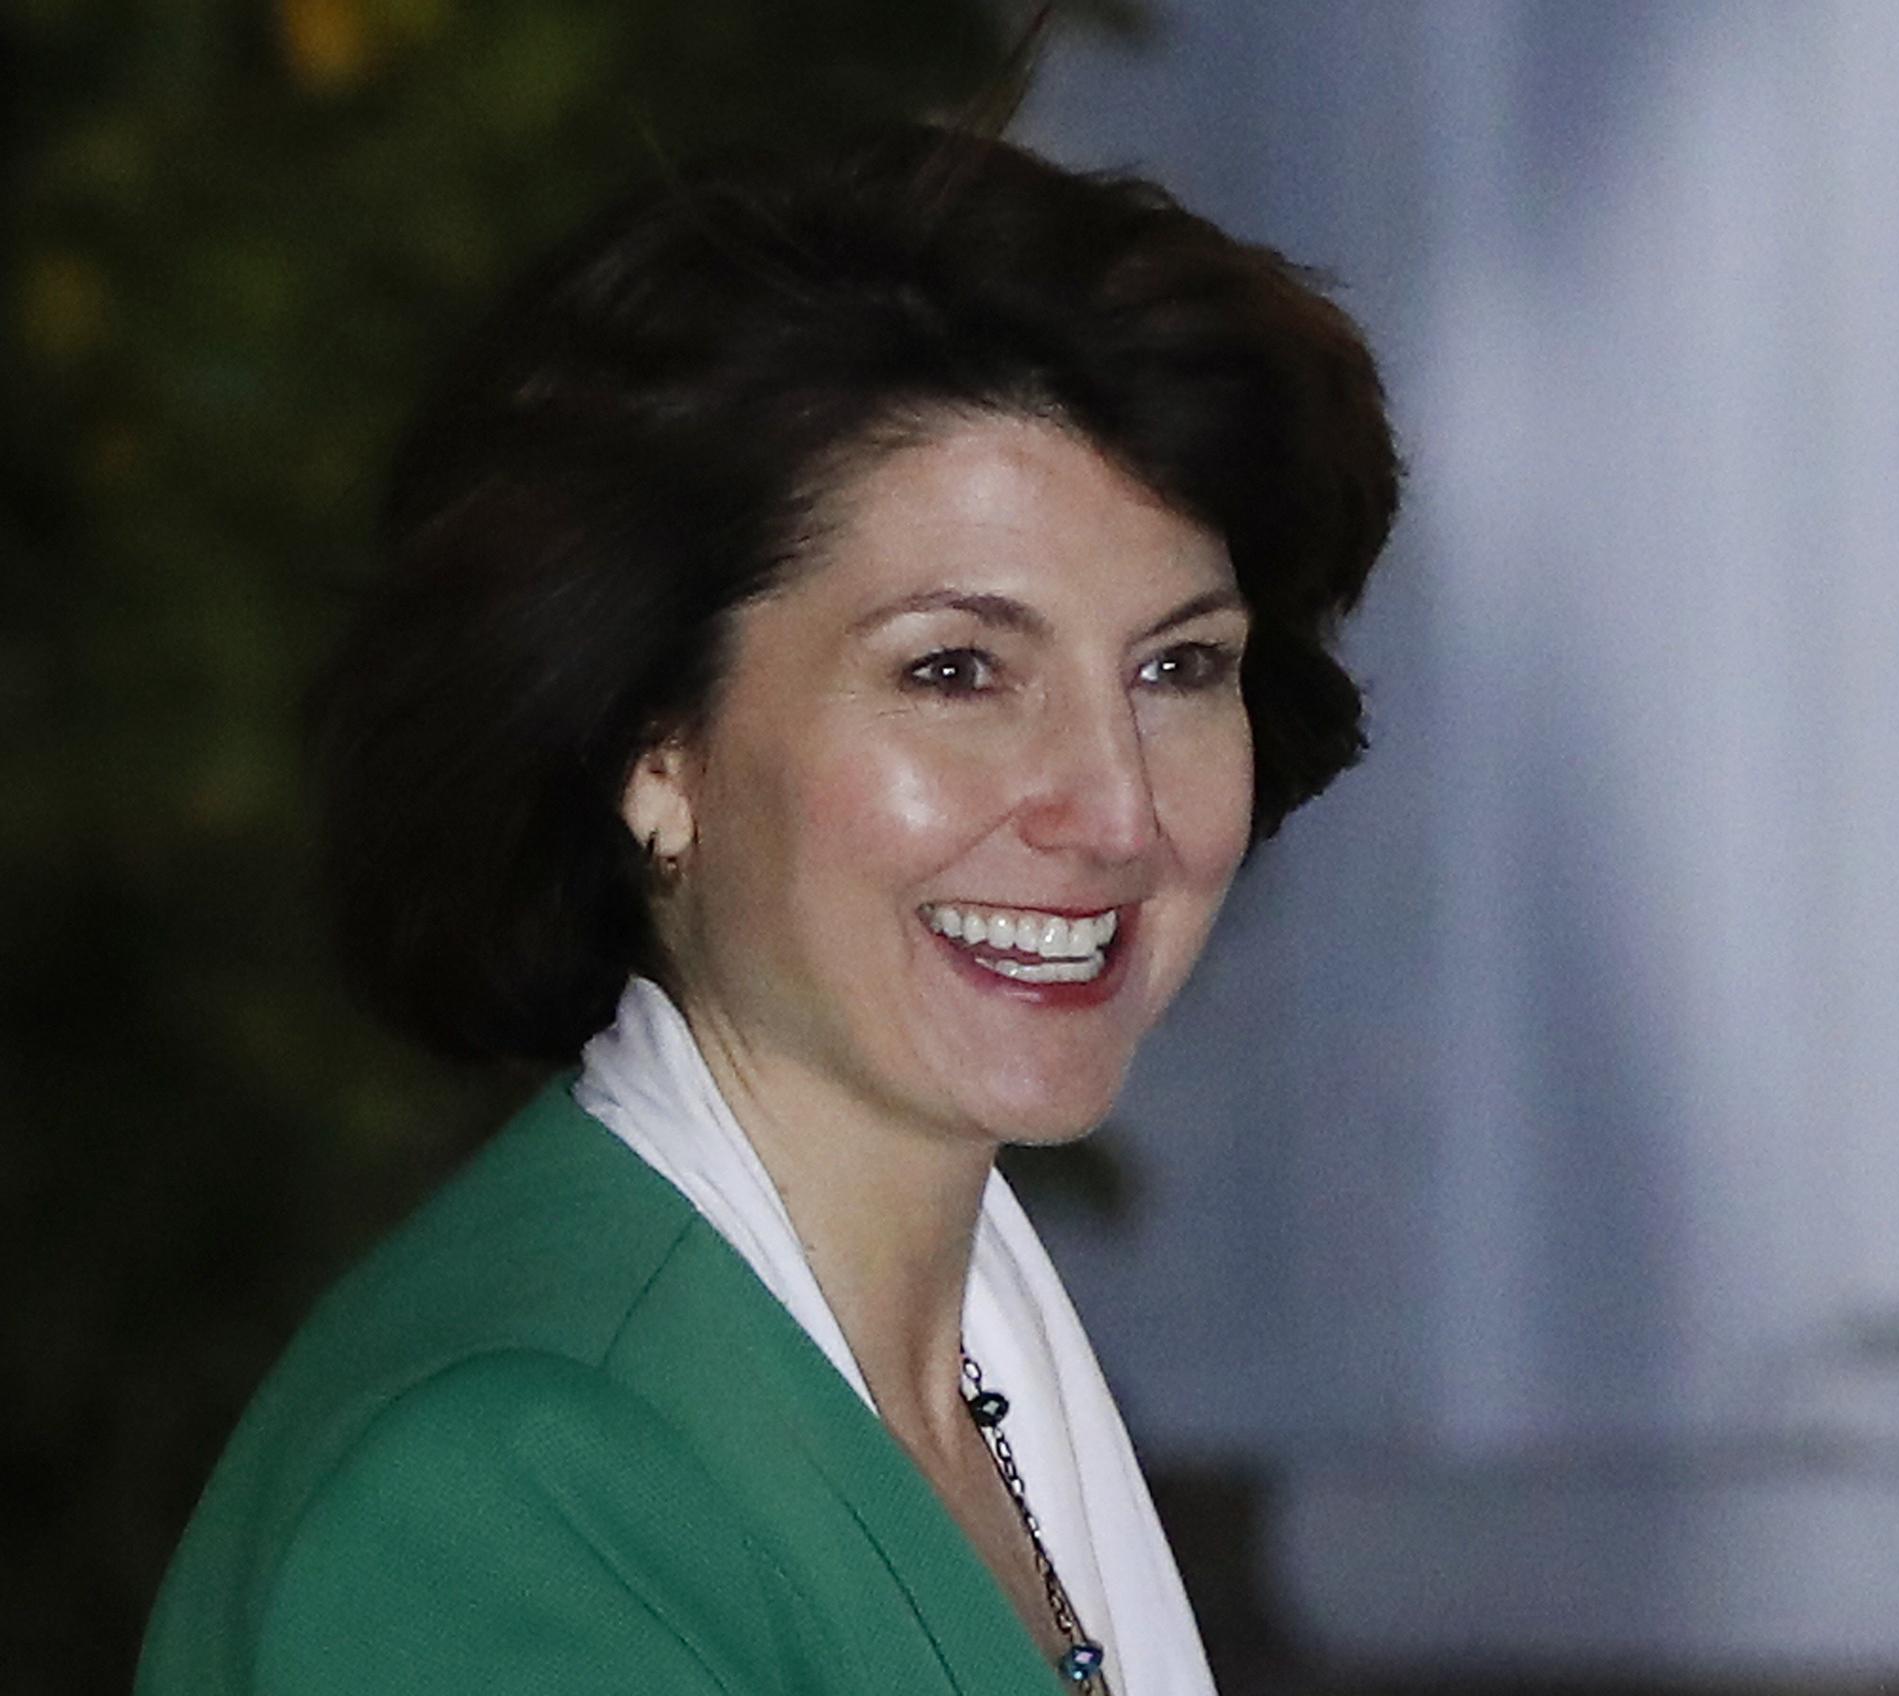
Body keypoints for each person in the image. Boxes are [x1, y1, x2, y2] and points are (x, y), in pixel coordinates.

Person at [135, 122, 1399, 1696]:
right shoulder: (515, 1490)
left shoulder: (954, 1370)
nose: (1116, 811)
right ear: (653, 748)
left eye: (1177, 666)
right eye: (956, 670)